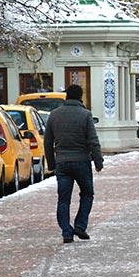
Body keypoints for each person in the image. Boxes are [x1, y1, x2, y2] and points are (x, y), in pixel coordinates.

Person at [44, 84, 103, 244]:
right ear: (80, 97)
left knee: (63, 199)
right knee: (87, 194)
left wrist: (51, 163)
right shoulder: (85, 115)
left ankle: (66, 232)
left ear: (66, 96)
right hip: (82, 162)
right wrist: (98, 161)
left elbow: (47, 142)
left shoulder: (54, 115)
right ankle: (80, 225)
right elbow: (93, 140)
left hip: (62, 163)